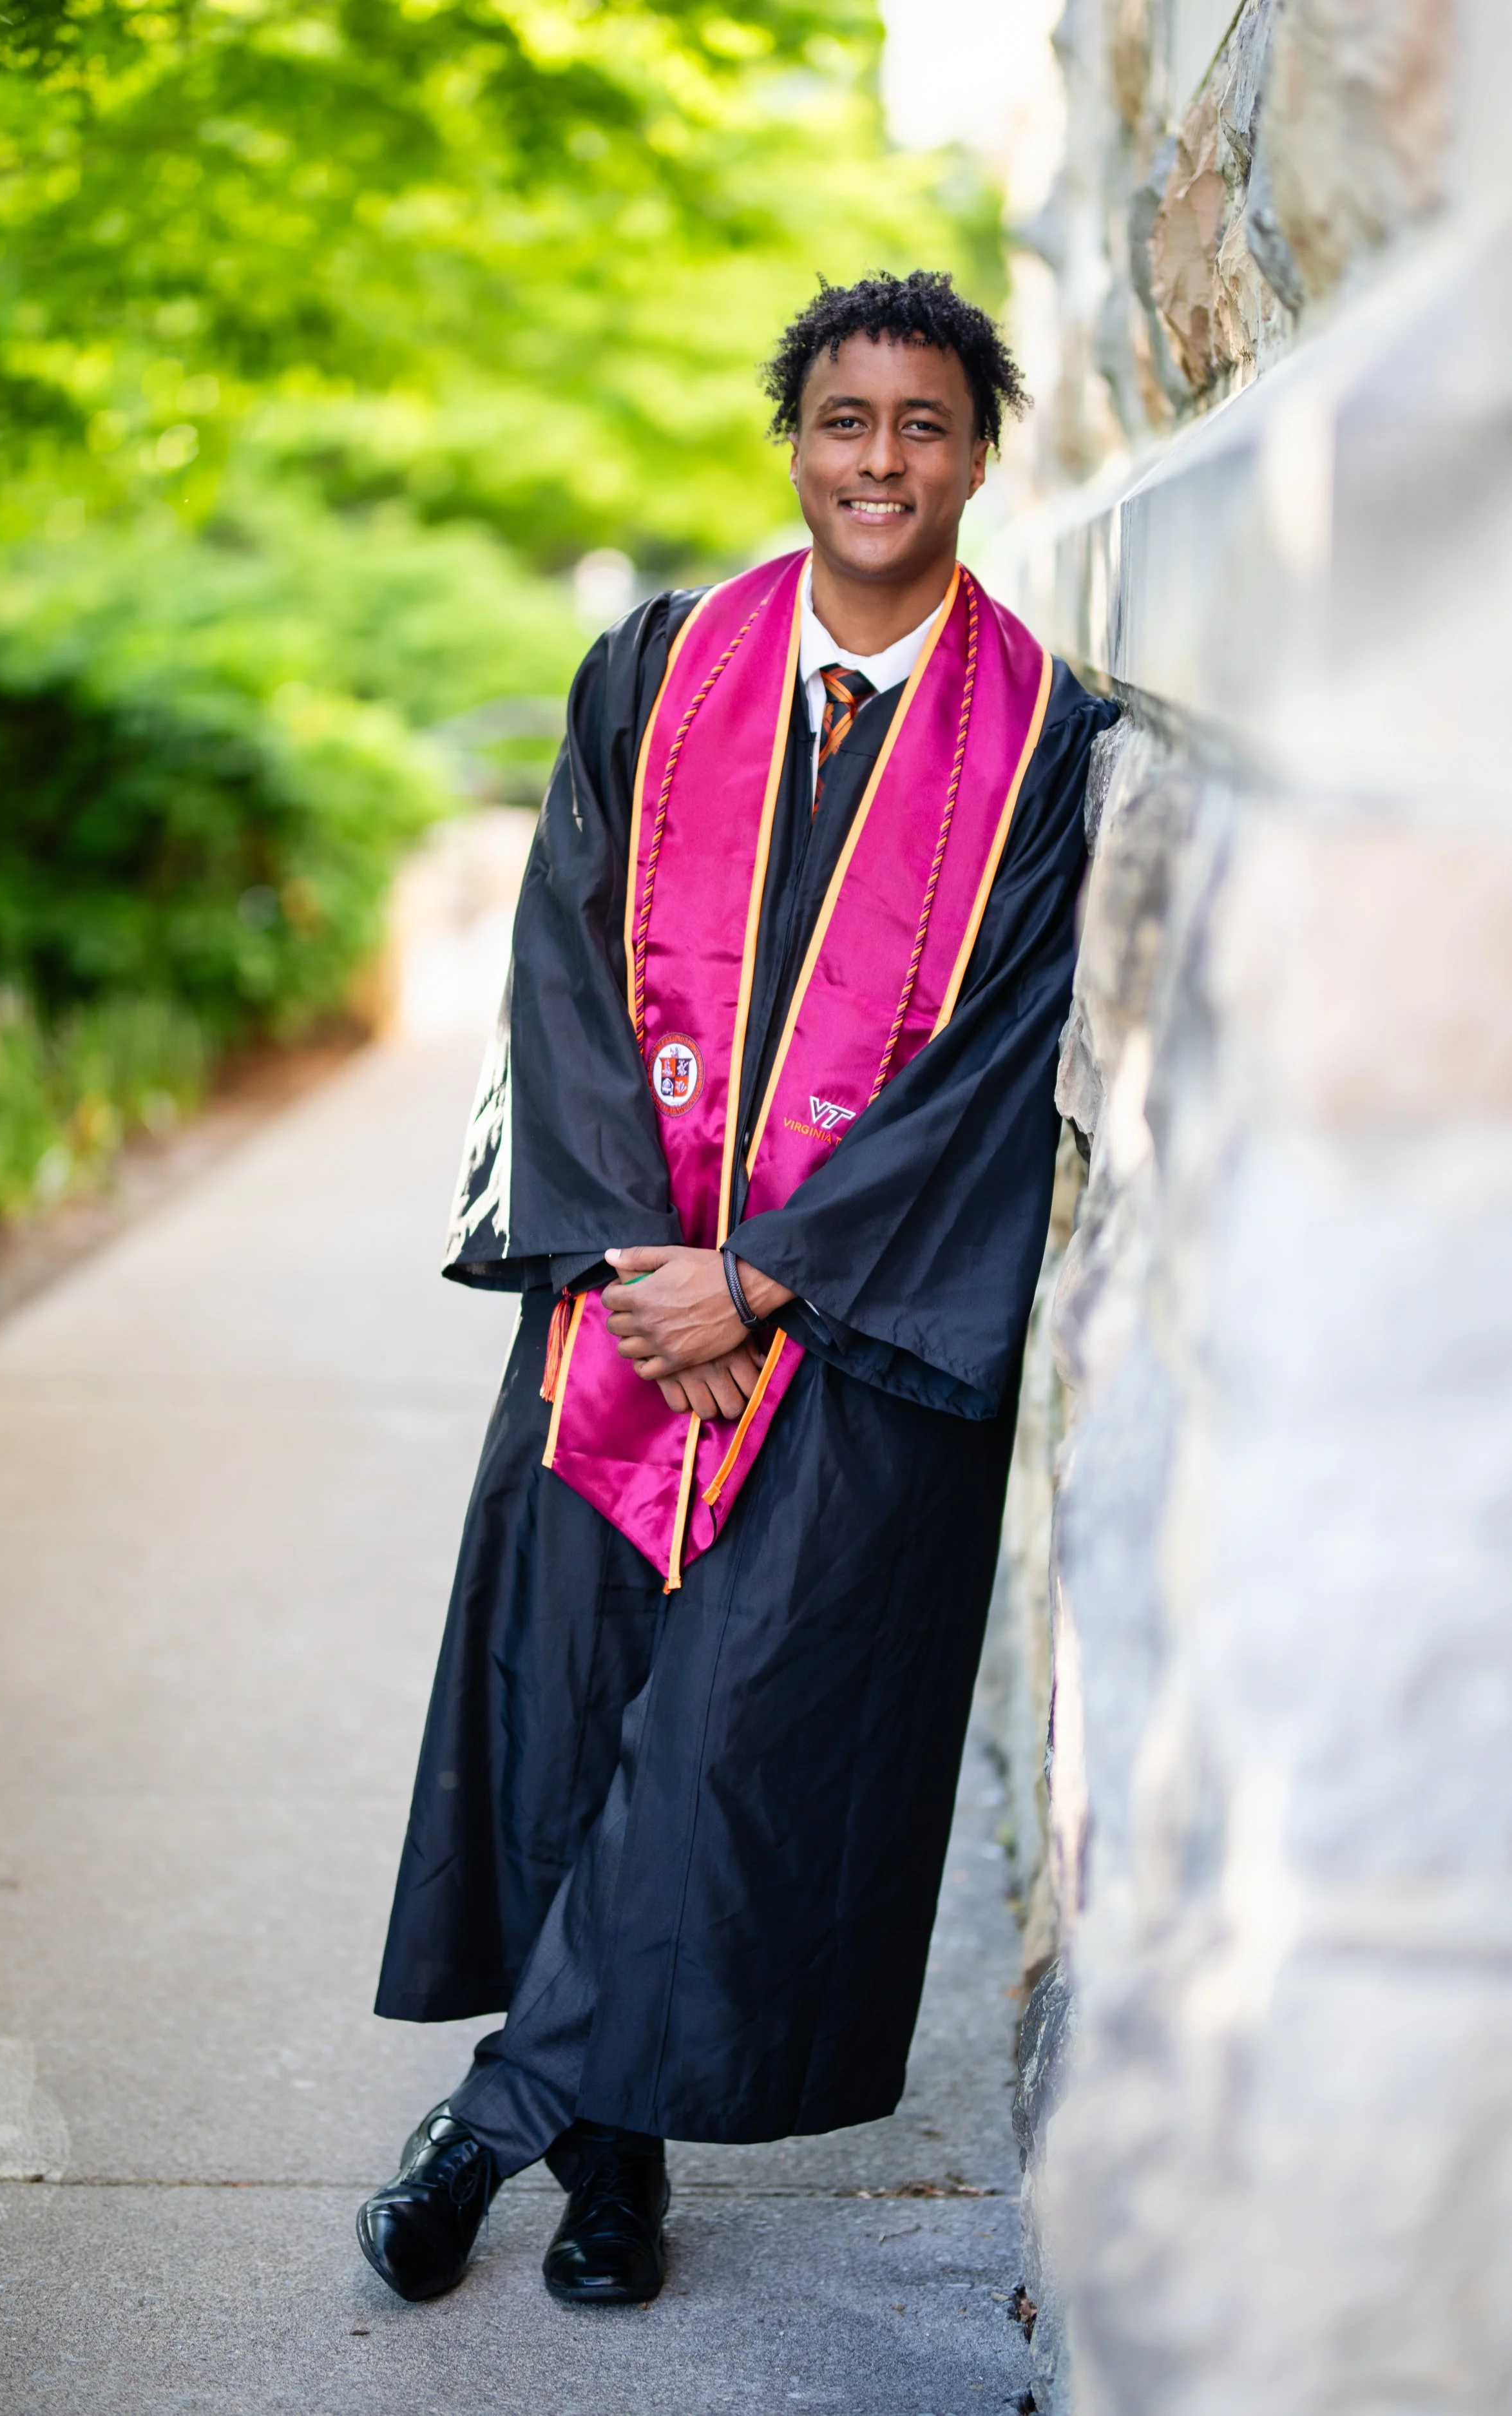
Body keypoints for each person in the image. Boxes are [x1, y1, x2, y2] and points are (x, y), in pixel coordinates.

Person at [357, 269, 1116, 2310]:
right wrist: (633, 1265)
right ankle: (614, 2175)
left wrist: (764, 1279)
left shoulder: (1045, 735)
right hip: (619, 1316)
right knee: (588, 1720)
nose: (883, 461)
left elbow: (1002, 1058)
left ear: (977, 451)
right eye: (846, 421)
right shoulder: (655, 669)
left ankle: (482, 2127)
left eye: (926, 424)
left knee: (732, 1753)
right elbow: (560, 965)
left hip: (852, 1333)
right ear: (793, 441)